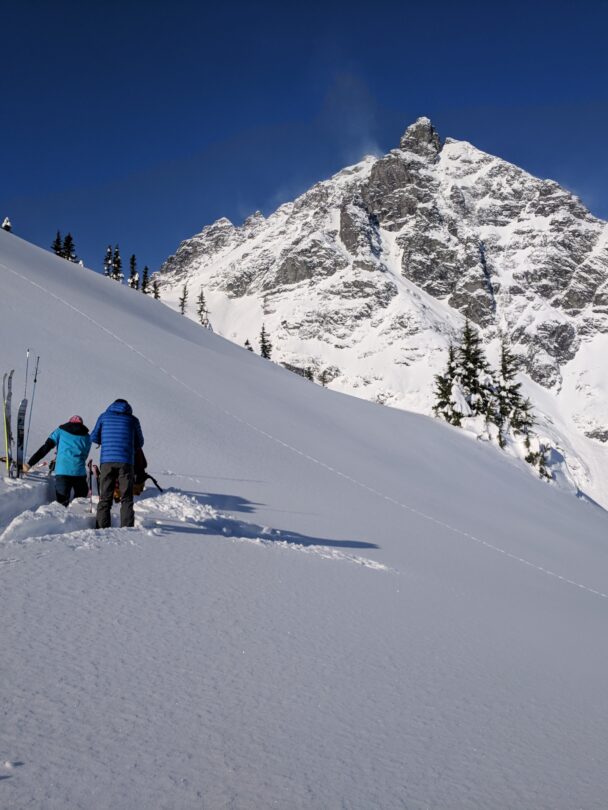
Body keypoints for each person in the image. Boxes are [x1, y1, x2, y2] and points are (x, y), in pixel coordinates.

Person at [90, 398, 144, 529]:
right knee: (126, 498)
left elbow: (94, 437)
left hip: (107, 461)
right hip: (126, 461)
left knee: (105, 497)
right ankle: (127, 528)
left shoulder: (103, 416)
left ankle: (102, 528)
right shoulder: (133, 420)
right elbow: (140, 442)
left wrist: (107, 441)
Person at [24, 415, 92, 506]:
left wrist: (29, 464)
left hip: (62, 471)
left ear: (69, 422)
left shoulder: (60, 431)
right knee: (80, 504)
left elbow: (46, 447)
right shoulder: (87, 437)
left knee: (61, 504)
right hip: (79, 473)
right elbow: (85, 455)